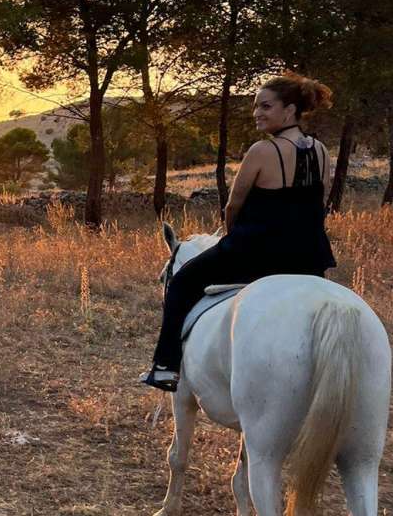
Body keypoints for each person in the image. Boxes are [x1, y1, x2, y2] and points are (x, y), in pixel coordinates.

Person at [140, 72, 337, 392]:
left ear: (289, 110)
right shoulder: (321, 150)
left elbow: (233, 206)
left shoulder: (263, 150)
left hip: (257, 252)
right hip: (309, 257)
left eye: (266, 106)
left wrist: (231, 240)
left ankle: (165, 367)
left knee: (181, 283)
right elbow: (320, 200)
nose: (257, 112)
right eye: (255, 106)